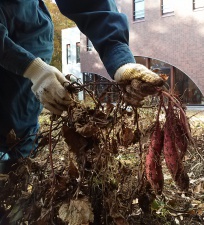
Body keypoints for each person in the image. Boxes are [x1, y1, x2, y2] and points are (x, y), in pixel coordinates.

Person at [0, 0, 163, 172]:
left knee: (17, 129)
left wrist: (119, 57)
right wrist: (29, 67)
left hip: (28, 32)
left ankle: (14, 173)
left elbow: (91, 4)